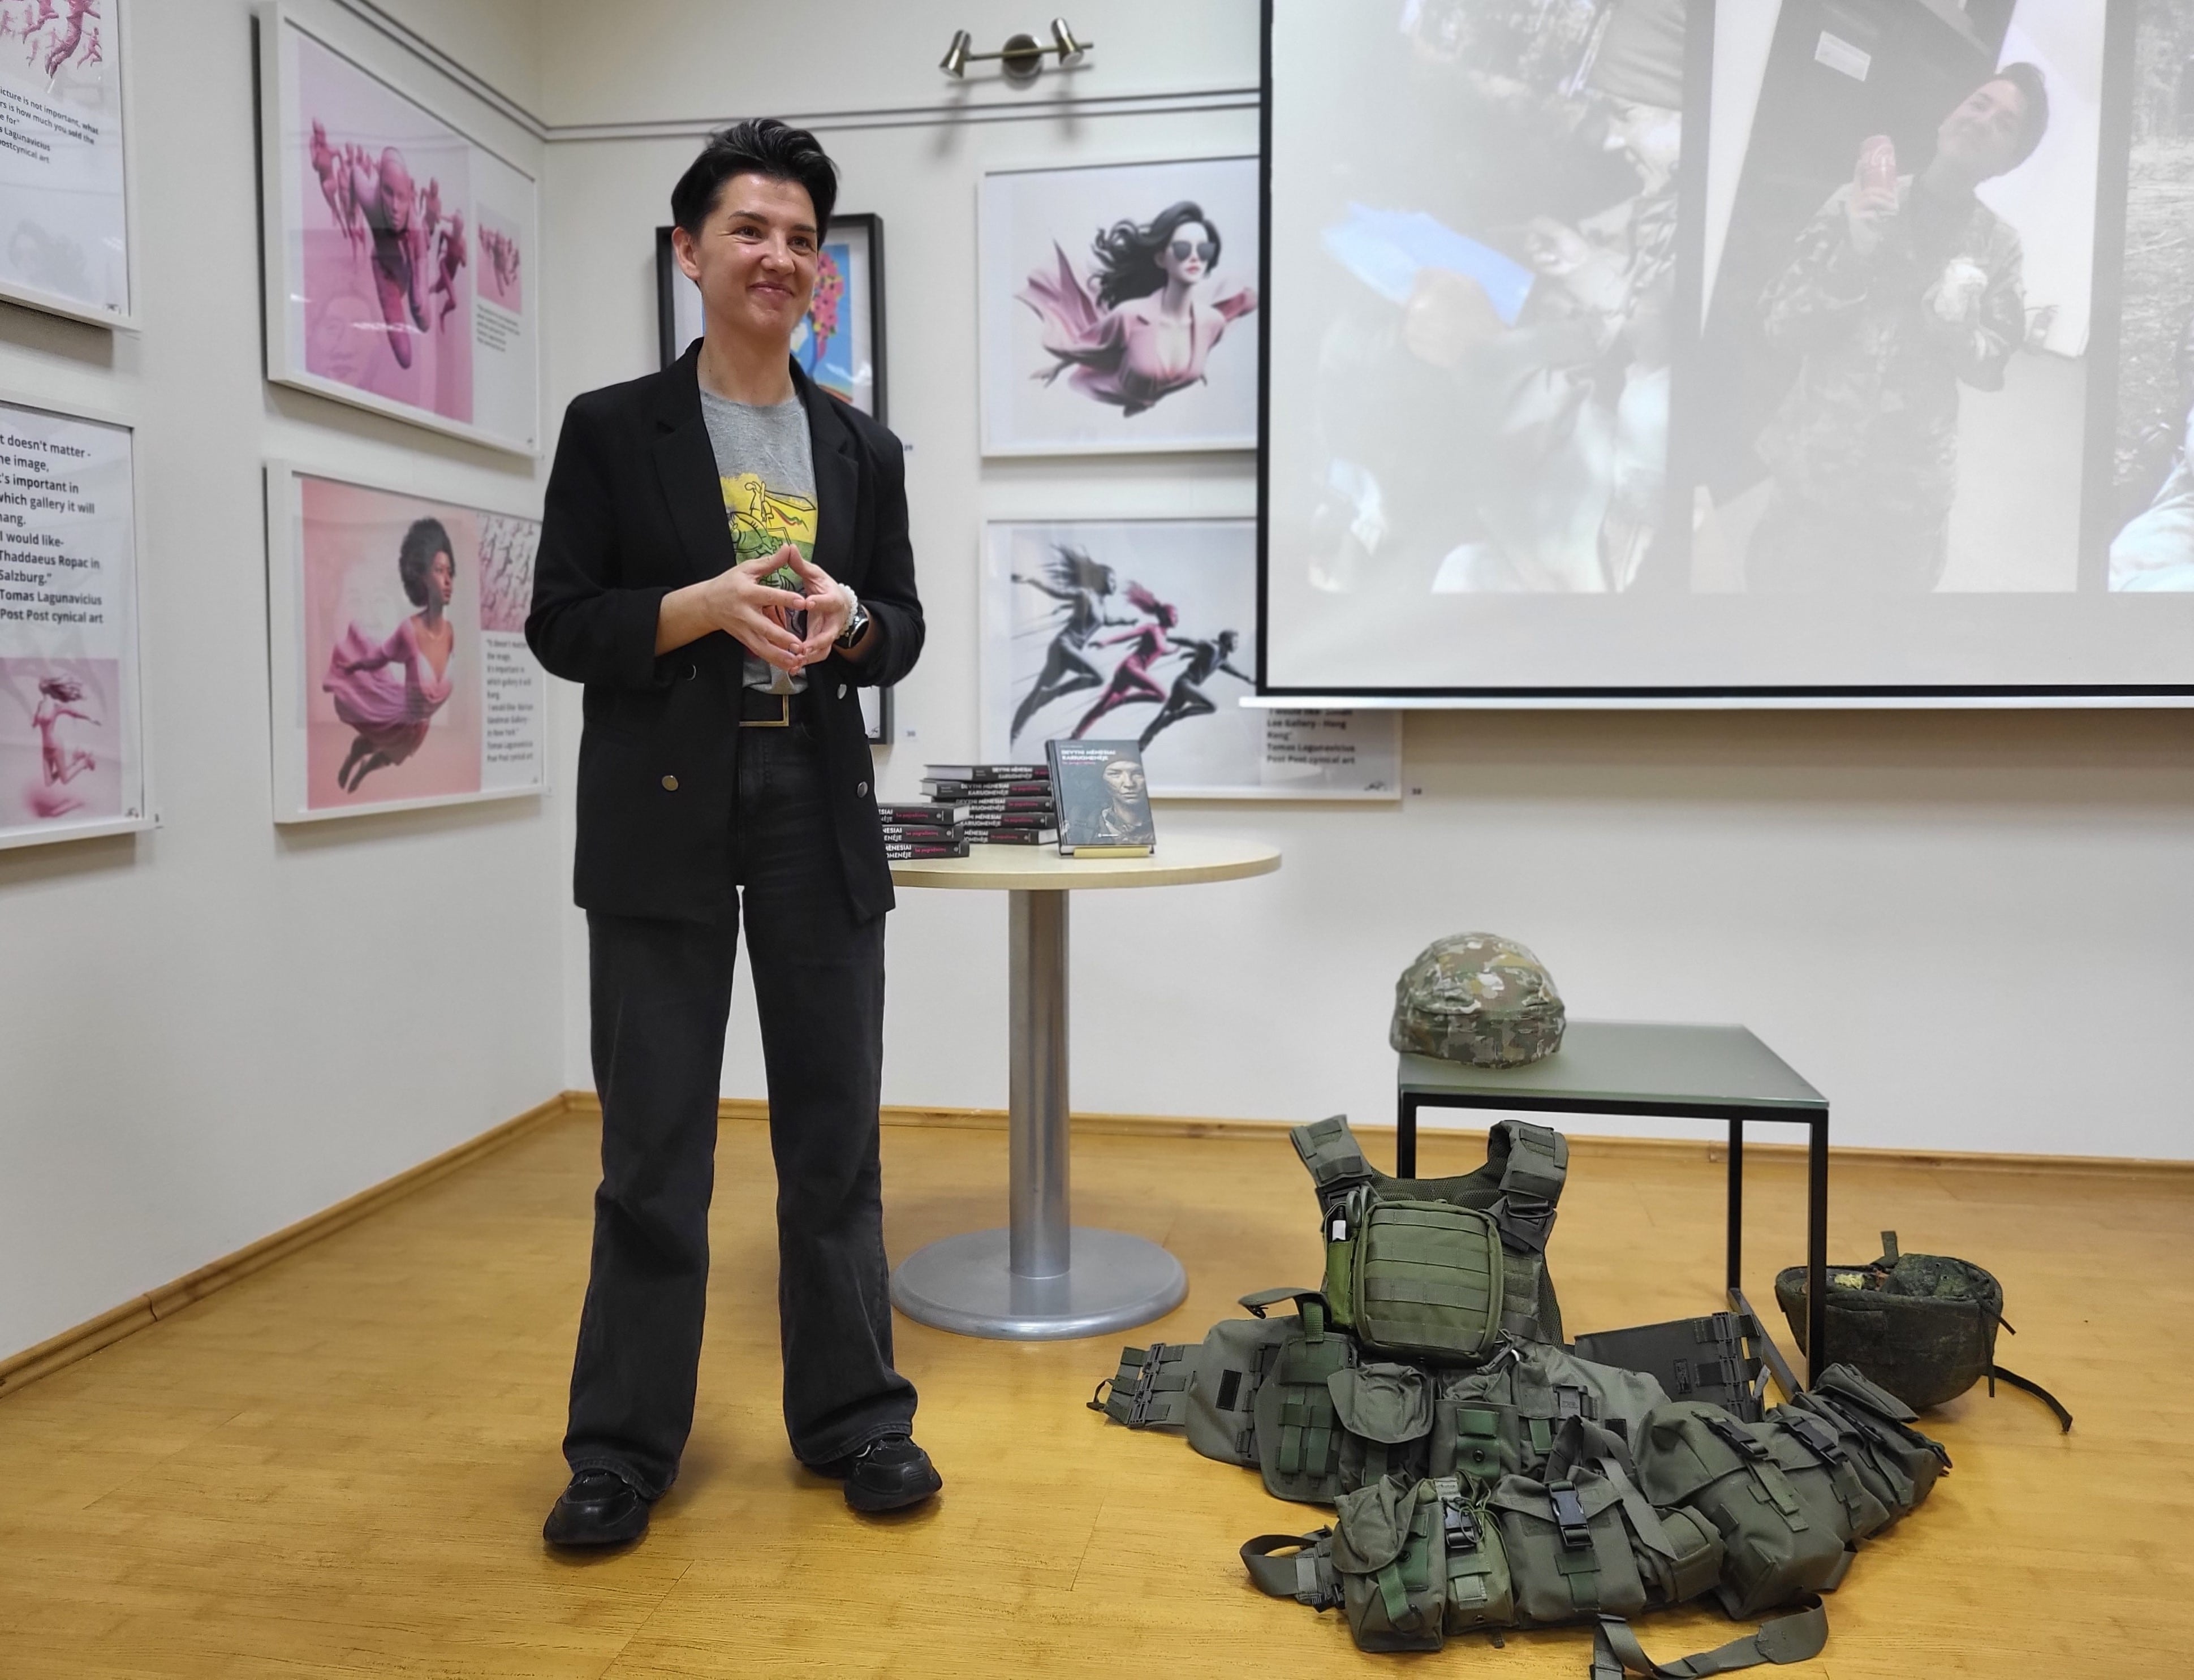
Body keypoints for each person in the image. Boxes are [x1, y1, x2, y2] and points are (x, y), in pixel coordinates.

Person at [526, 118, 934, 1549]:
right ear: (688, 252)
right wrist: (699, 607)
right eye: (750, 230)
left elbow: (902, 626)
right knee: (652, 1148)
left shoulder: (862, 445)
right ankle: (620, 1450)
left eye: (802, 239)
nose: (779, 256)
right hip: (661, 809)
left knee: (834, 1139)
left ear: (821, 273)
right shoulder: (609, 428)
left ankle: (858, 1420)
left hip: (816, 804)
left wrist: (855, 619)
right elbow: (560, 624)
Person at [1748, 64, 2050, 594]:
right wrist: (1852, 256)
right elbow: (1780, 328)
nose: (1983, 121)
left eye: (2005, 124)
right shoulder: (1852, 205)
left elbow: (1991, 367)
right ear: (1946, 117)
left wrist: (1958, 335)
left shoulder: (1999, 246)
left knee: (1884, 637)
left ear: (2010, 161)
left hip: (1907, 496)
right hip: (1814, 468)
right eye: (1978, 104)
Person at [1019, 200, 1258, 416]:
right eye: (1183, 249)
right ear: (1161, 259)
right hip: (1118, 391)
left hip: (1155, 400)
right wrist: (1058, 366)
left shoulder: (1213, 322)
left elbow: (1207, 342)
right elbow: (1090, 345)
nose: (1195, 257)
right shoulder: (1130, 316)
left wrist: (1194, 365)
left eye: (1204, 250)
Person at [323, 517, 456, 795]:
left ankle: (364, 770)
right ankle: (353, 760)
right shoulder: (409, 631)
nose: (447, 581)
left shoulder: (450, 633)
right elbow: (379, 657)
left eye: (450, 572)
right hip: (400, 715)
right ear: (422, 576)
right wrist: (354, 666)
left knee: (390, 757)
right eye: (439, 571)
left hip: (419, 726)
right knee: (369, 744)